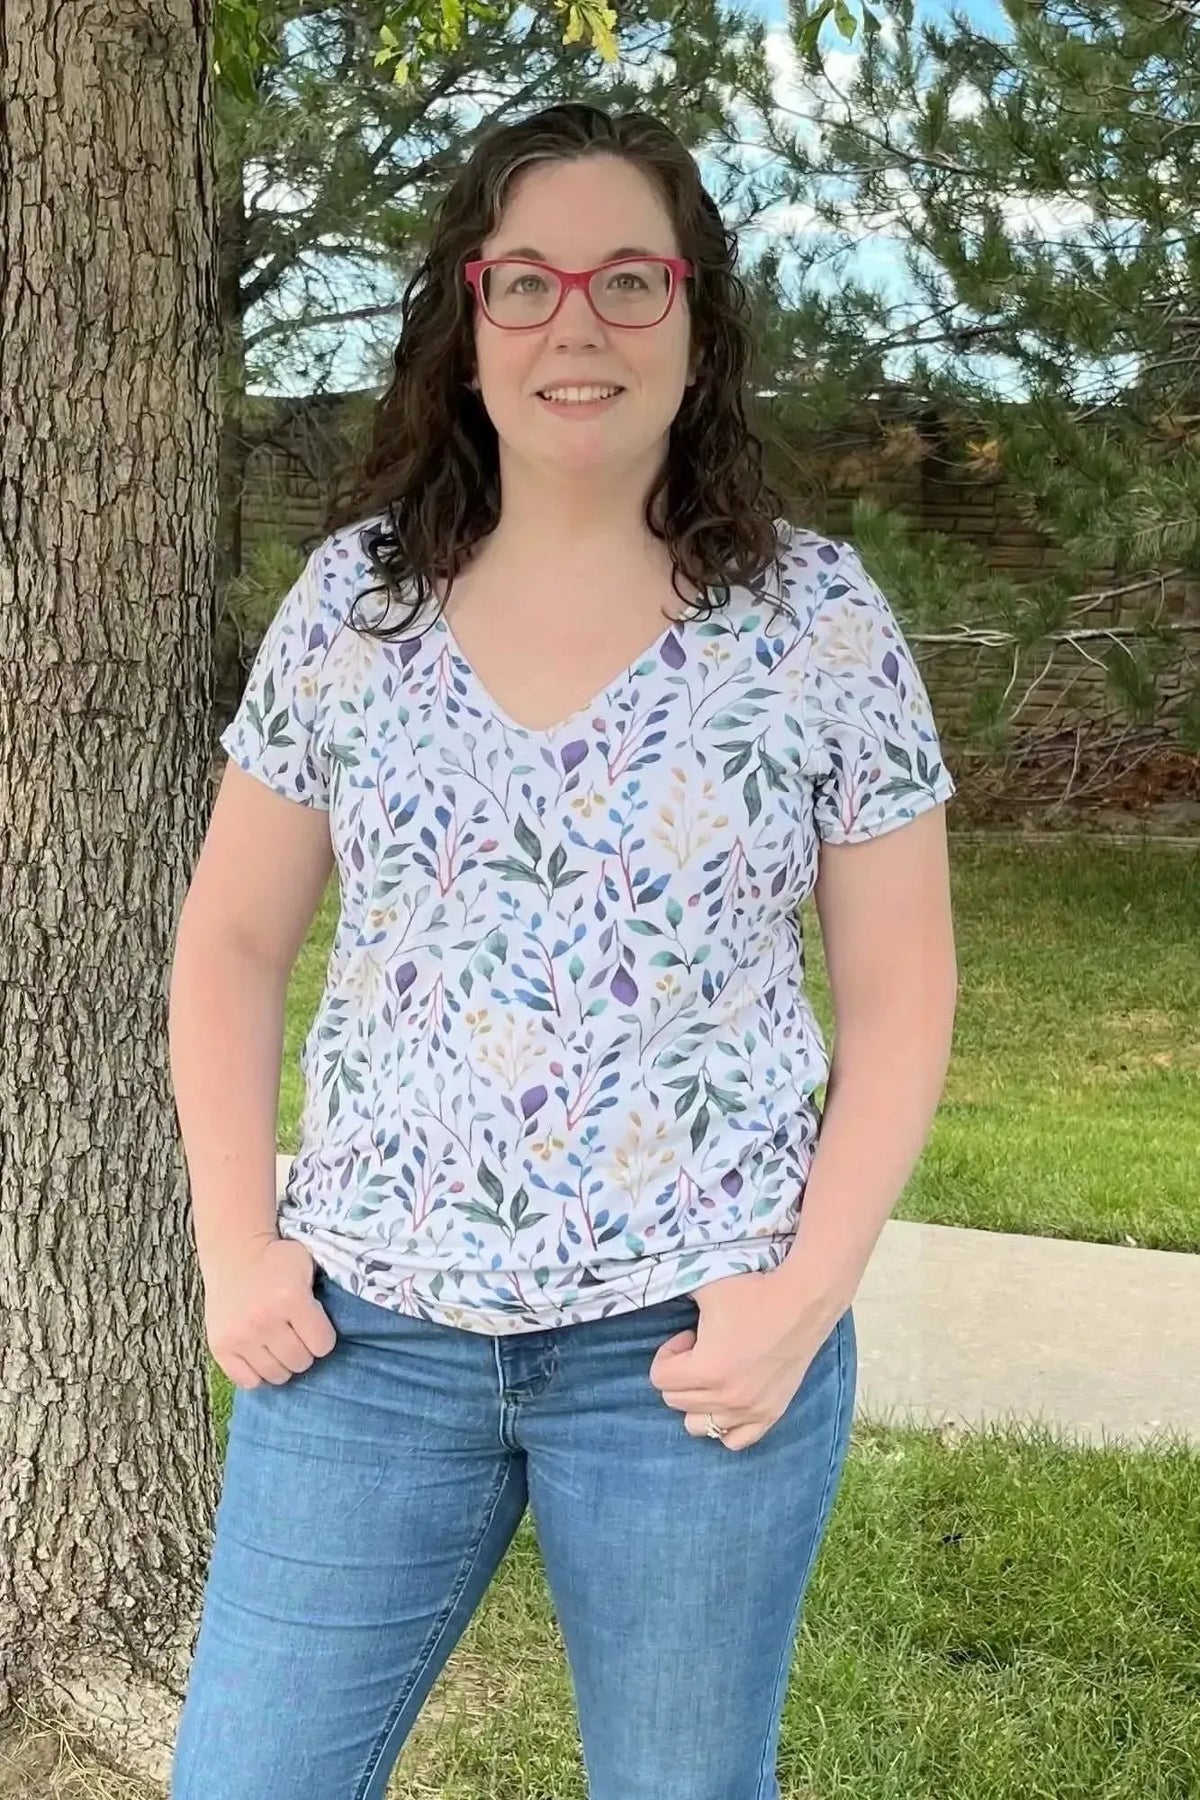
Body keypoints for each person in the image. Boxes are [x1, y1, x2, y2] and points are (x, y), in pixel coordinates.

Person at [168, 100, 958, 1800]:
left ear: (697, 314)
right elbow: (230, 940)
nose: (573, 324)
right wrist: (241, 1248)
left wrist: (799, 1305)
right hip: (363, 1339)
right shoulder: (354, 607)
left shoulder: (817, 620)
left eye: (627, 277)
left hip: (693, 1355)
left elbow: (904, 1001)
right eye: (523, 282)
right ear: (468, 319)